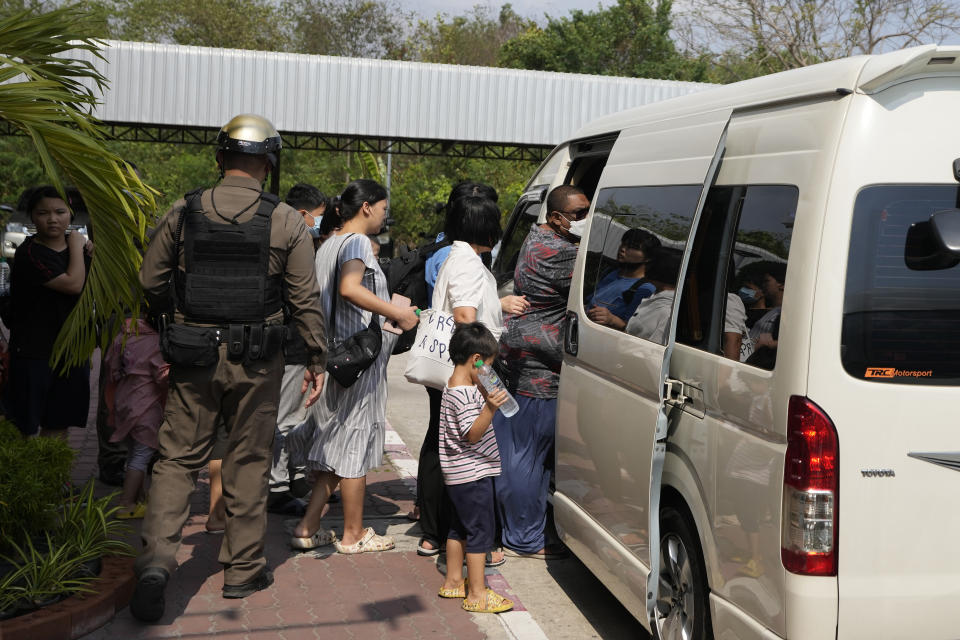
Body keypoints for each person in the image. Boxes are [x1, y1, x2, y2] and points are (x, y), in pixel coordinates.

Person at [131, 114, 329, 622]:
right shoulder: (287, 219)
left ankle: (156, 563)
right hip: (258, 361)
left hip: (193, 355)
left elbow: (150, 281)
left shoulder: (183, 210)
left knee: (177, 461)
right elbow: (305, 300)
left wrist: (180, 313)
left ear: (220, 159)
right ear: (268, 164)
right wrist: (316, 358)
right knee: (248, 461)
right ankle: (242, 570)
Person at [287, 179, 419, 554]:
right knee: (354, 444)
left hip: (335, 357)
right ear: (365, 208)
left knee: (335, 444)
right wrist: (397, 311)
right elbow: (349, 288)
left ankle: (307, 527)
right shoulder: (357, 242)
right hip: (356, 362)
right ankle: (354, 533)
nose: (383, 216)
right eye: (382, 209)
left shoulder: (328, 244)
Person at [416, 190, 522, 564]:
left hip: (461, 370)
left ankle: (446, 540)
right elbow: (465, 316)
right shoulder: (467, 264)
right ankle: (466, 546)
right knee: (466, 460)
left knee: (445, 450)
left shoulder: (460, 257)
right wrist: (486, 377)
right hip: (468, 372)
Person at [494, 184, 589, 558]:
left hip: (521, 355)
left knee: (518, 450)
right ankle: (525, 537)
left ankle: (517, 528)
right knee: (527, 457)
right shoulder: (560, 253)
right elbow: (592, 277)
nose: (585, 220)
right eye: (580, 214)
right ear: (556, 217)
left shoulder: (536, 237)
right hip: (540, 367)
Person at [437, 322, 514, 614]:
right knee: (481, 532)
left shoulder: (455, 386)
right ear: (476, 360)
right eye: (487, 365)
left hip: (457, 476)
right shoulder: (465, 394)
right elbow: (472, 434)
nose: (487, 371)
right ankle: (478, 593)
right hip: (473, 473)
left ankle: (454, 580)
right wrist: (490, 408)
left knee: (459, 527)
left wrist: (483, 393)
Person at [5, 185, 92, 438]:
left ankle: (52, 478)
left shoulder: (83, 250)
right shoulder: (29, 254)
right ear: (32, 216)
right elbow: (73, 284)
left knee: (58, 422)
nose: (52, 219)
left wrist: (83, 247)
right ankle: (20, 477)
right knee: (21, 425)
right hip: (34, 352)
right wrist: (77, 243)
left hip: (72, 352)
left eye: (60, 211)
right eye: (43, 213)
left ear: (70, 214)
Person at [105, 316, 169, 519]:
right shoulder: (155, 341)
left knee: (134, 453)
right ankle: (126, 504)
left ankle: (138, 498)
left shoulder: (122, 336)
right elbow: (161, 377)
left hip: (124, 401)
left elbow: (110, 366)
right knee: (142, 456)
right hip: (145, 407)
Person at [586, 228, 660, 330]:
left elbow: (635, 331)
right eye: (623, 244)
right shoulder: (611, 271)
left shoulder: (645, 288)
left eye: (632, 247)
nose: (623, 249)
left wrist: (612, 319)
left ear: (648, 258)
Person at [624, 246, 682, 343]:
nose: (646, 265)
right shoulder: (656, 297)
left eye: (652, 263)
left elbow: (652, 351)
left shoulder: (667, 312)